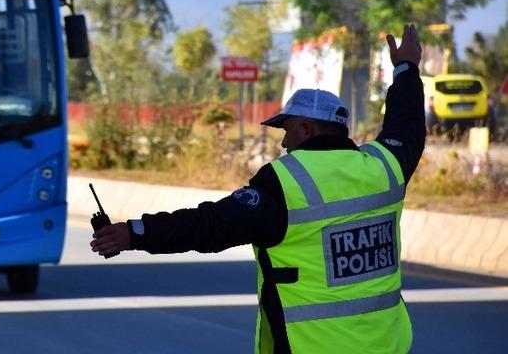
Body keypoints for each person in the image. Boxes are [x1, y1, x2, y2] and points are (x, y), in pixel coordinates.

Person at [91, 24, 425, 353]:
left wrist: (136, 233)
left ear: (307, 128)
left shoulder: (287, 182)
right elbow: (407, 123)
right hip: (385, 344)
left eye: (288, 130)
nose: (283, 141)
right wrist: (406, 69)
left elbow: (209, 226)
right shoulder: (384, 167)